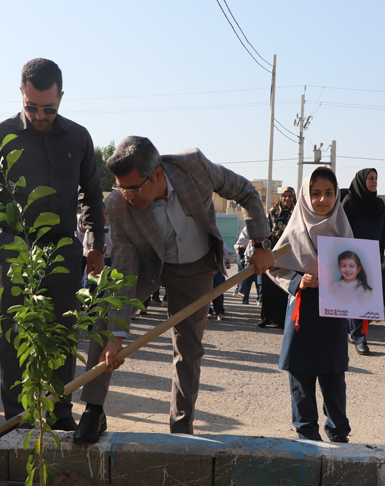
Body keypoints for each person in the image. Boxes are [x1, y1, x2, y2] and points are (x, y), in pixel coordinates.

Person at [75, 136, 273, 443]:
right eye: (120, 187)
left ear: (156, 175)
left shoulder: (194, 166)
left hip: (195, 266)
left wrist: (261, 244)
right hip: (146, 266)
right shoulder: (117, 205)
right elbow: (125, 272)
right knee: (104, 318)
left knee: (188, 348)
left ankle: (181, 427)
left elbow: (246, 191)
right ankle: (93, 410)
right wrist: (116, 336)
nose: (126, 195)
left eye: (132, 188)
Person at [0, 58, 106, 427]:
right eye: (32, 107)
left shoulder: (79, 137)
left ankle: (60, 416)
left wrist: (96, 245)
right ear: (21, 95)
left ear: (61, 96)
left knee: (62, 338)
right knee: (13, 341)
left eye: (49, 107)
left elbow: (92, 196)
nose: (40, 115)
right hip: (11, 251)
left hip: (62, 252)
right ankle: (17, 421)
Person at [268, 167, 353, 443]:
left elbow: (359, 272)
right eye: (315, 194)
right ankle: (307, 436)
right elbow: (274, 267)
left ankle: (339, 434)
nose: (322, 200)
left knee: (334, 377)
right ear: (306, 195)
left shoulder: (343, 229)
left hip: (334, 312)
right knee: (301, 375)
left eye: (329, 193)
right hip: (303, 311)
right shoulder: (294, 231)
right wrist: (297, 281)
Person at [340, 168, 385, 355]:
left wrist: (380, 258)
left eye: (376, 178)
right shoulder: (349, 202)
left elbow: (381, 233)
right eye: (370, 178)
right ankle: (357, 336)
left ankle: (358, 335)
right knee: (350, 294)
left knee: (363, 295)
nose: (374, 181)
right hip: (351, 256)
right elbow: (341, 229)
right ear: (361, 180)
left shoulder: (379, 204)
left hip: (371, 255)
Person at [258, 187, 296, 328]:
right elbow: (266, 231)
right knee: (268, 283)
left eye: (290, 196)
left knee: (283, 284)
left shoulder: (297, 213)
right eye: (285, 195)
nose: (287, 198)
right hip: (271, 247)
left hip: (288, 250)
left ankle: (281, 320)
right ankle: (266, 318)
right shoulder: (272, 212)